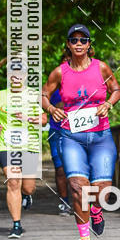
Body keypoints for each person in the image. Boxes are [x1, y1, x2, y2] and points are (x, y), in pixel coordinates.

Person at [42, 25, 120, 240]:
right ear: (68, 44)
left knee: (102, 192)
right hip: (71, 138)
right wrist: (49, 108)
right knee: (78, 189)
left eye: (83, 40)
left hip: (100, 137)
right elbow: (44, 94)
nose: (78, 43)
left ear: (89, 44)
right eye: (73, 40)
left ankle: (96, 209)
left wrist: (109, 103)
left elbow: (116, 89)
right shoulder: (59, 72)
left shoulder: (101, 67)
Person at [0, 69, 47, 238]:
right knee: (13, 181)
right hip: (7, 145)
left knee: (28, 187)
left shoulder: (33, 95)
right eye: (12, 74)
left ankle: (26, 195)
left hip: (29, 145)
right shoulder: (0, 95)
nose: (16, 77)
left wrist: (28, 118)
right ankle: (16, 225)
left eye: (20, 74)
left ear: (25, 77)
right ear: (8, 76)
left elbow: (44, 120)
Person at [47, 78, 71, 215]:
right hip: (56, 131)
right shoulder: (52, 89)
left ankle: (84, 202)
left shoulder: (83, 86)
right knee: (60, 169)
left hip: (77, 131)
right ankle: (65, 202)